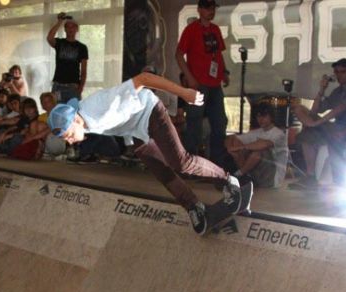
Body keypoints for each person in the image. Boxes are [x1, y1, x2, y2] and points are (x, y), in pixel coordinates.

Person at [47, 72, 245, 235]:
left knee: (181, 162)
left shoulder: (100, 106)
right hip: (135, 131)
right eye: (66, 139)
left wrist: (184, 93)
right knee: (160, 170)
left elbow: (143, 78)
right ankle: (194, 207)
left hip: (150, 112)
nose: (70, 140)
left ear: (75, 121)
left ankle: (228, 181)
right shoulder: (79, 119)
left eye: (69, 135)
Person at [175, 0, 230, 166]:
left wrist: (224, 72)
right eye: (207, 8)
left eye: (213, 8)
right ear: (199, 10)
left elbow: (218, 54)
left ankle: (216, 163)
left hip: (214, 84)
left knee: (219, 122)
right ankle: (190, 164)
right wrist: (189, 77)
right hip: (198, 84)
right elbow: (178, 55)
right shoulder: (191, 29)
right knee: (194, 123)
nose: (211, 11)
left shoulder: (215, 29)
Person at [290, 58, 346, 188]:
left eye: (343, 72)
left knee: (311, 127)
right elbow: (314, 111)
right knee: (300, 110)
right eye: (337, 72)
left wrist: (317, 123)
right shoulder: (336, 92)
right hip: (336, 129)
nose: (339, 75)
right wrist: (321, 89)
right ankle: (311, 175)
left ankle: (311, 129)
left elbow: (340, 109)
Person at [225, 103, 288, 188]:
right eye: (258, 116)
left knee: (259, 151)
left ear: (271, 117)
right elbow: (232, 138)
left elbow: (264, 144)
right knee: (238, 147)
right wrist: (232, 149)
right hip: (258, 174)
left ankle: (239, 174)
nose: (261, 119)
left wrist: (241, 147)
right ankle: (245, 177)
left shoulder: (279, 134)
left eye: (264, 116)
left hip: (272, 177)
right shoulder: (257, 132)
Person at [46, 13, 88, 103]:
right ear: (65, 29)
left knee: (74, 114)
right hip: (58, 86)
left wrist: (80, 88)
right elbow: (49, 38)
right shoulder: (60, 43)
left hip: (73, 87)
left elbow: (84, 71)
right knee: (57, 112)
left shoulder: (82, 47)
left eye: (72, 27)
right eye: (68, 27)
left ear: (77, 29)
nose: (70, 29)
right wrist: (59, 22)